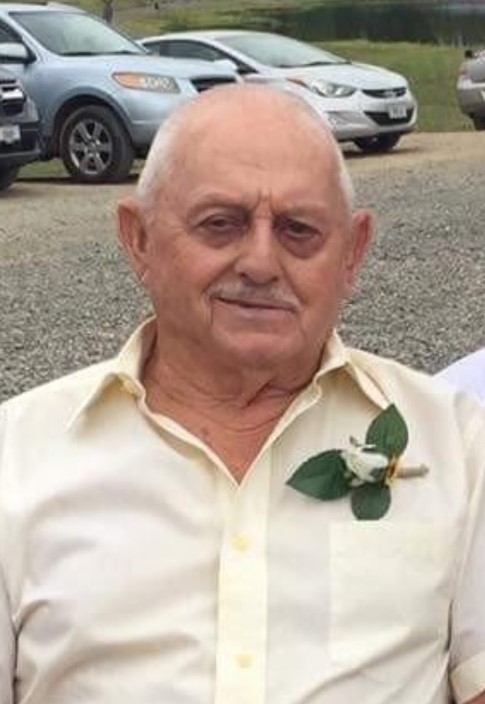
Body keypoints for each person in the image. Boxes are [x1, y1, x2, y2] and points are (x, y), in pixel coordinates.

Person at [0, 84, 484, 704]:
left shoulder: (457, 446)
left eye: (298, 230)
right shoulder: (17, 456)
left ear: (353, 253)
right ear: (139, 238)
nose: (260, 262)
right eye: (220, 225)